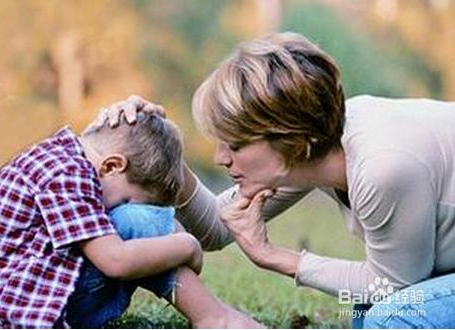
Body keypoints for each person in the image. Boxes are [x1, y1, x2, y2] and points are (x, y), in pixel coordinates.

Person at [91, 32, 455, 328]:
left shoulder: (384, 166)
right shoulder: (315, 147)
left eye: (234, 143)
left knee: (392, 319)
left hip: (401, 287)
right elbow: (218, 227)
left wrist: (275, 257)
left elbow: (393, 287)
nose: (220, 157)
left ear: (291, 140)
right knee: (364, 314)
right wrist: (153, 147)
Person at [0, 112, 263, 328]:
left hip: (10, 294)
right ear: (113, 165)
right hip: (30, 304)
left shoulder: (59, 155)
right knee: (139, 220)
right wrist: (188, 245)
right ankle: (213, 317)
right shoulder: (68, 175)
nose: (116, 208)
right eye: (127, 197)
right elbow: (115, 261)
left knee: (137, 223)